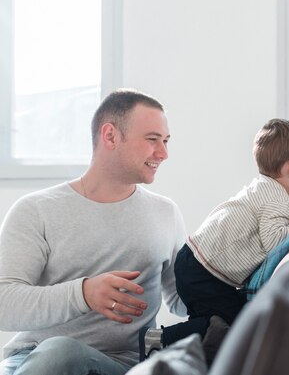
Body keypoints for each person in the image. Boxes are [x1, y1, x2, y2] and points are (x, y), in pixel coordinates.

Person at [0, 89, 187, 375]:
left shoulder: (166, 213)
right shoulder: (36, 210)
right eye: (152, 140)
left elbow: (181, 300)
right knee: (59, 353)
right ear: (110, 136)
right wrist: (84, 293)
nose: (163, 153)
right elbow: (4, 303)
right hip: (35, 359)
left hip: (123, 365)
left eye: (165, 141)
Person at [142, 118, 289, 360]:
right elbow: (274, 240)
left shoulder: (263, 187)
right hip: (204, 272)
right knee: (230, 322)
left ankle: (181, 355)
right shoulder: (277, 200)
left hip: (196, 263)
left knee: (216, 323)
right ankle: (160, 341)